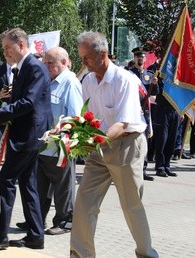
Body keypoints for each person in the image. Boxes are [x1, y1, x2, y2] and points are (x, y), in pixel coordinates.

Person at [70, 31, 159, 258]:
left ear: (103, 54)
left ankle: (147, 254)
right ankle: (80, 255)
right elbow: (85, 118)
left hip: (127, 146)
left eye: (87, 57)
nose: (84, 63)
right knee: (83, 203)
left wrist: (93, 142)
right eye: (81, 57)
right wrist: (71, 136)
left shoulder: (124, 79)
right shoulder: (87, 80)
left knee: (132, 206)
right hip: (99, 148)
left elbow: (122, 123)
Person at [0, 28, 53, 250]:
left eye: (7, 48)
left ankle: (2, 234)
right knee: (28, 185)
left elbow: (28, 103)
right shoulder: (21, 69)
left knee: (6, 180)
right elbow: (18, 102)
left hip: (30, 135)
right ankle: (35, 236)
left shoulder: (35, 67)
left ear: (21, 44)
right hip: (25, 133)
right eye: (3, 49)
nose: (5, 53)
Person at [16, 47, 83, 235]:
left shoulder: (70, 83)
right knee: (40, 186)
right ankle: (37, 220)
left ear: (64, 62)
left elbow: (75, 117)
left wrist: (61, 136)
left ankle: (64, 222)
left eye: (50, 63)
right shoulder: (47, 81)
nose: (46, 66)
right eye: (45, 63)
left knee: (63, 188)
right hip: (41, 145)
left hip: (60, 145)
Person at [148, 60, 179, 178]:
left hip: (175, 109)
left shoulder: (177, 74)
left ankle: (167, 165)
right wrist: (155, 83)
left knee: (172, 139)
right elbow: (155, 93)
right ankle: (160, 166)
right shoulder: (159, 73)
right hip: (162, 109)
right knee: (162, 139)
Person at [130, 46, 155, 181]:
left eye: (143, 56)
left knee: (144, 140)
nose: (141, 58)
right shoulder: (128, 74)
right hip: (132, 111)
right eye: (138, 56)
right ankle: (131, 169)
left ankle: (143, 169)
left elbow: (155, 95)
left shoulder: (149, 75)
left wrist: (155, 84)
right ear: (134, 58)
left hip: (145, 113)